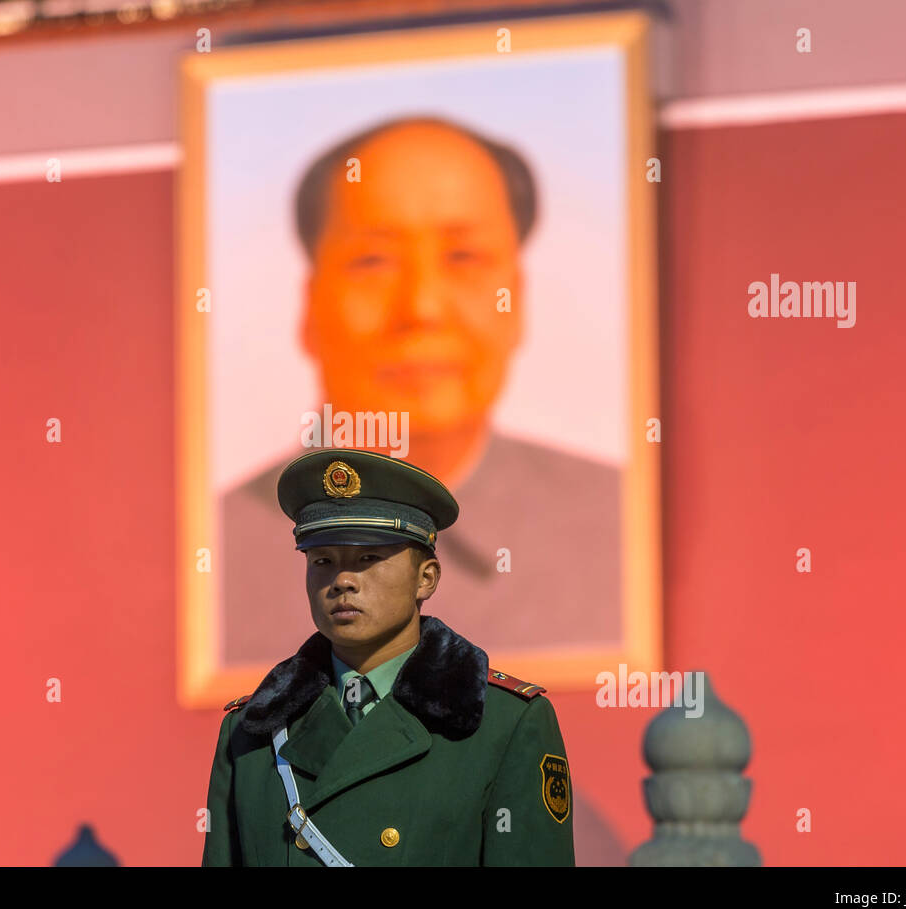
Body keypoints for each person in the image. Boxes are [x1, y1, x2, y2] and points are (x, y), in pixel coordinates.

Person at [221, 115, 621, 668]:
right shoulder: (217, 548)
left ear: (516, 299)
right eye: (373, 261)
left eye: (464, 257)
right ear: (310, 308)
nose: (423, 307)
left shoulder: (617, 526)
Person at [202, 448, 576, 866]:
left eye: (369, 558)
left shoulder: (501, 725)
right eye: (322, 560)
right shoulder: (254, 730)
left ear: (426, 578)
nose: (343, 580)